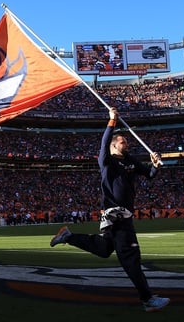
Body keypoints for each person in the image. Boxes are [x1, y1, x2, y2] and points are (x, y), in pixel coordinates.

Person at [50, 107, 170, 312]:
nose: (127, 143)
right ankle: (147, 299)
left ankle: (68, 237)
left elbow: (149, 175)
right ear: (114, 146)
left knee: (105, 249)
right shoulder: (107, 162)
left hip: (123, 215)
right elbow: (103, 146)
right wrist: (111, 122)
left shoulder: (130, 161)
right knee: (131, 256)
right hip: (117, 215)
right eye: (123, 141)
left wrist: (155, 166)